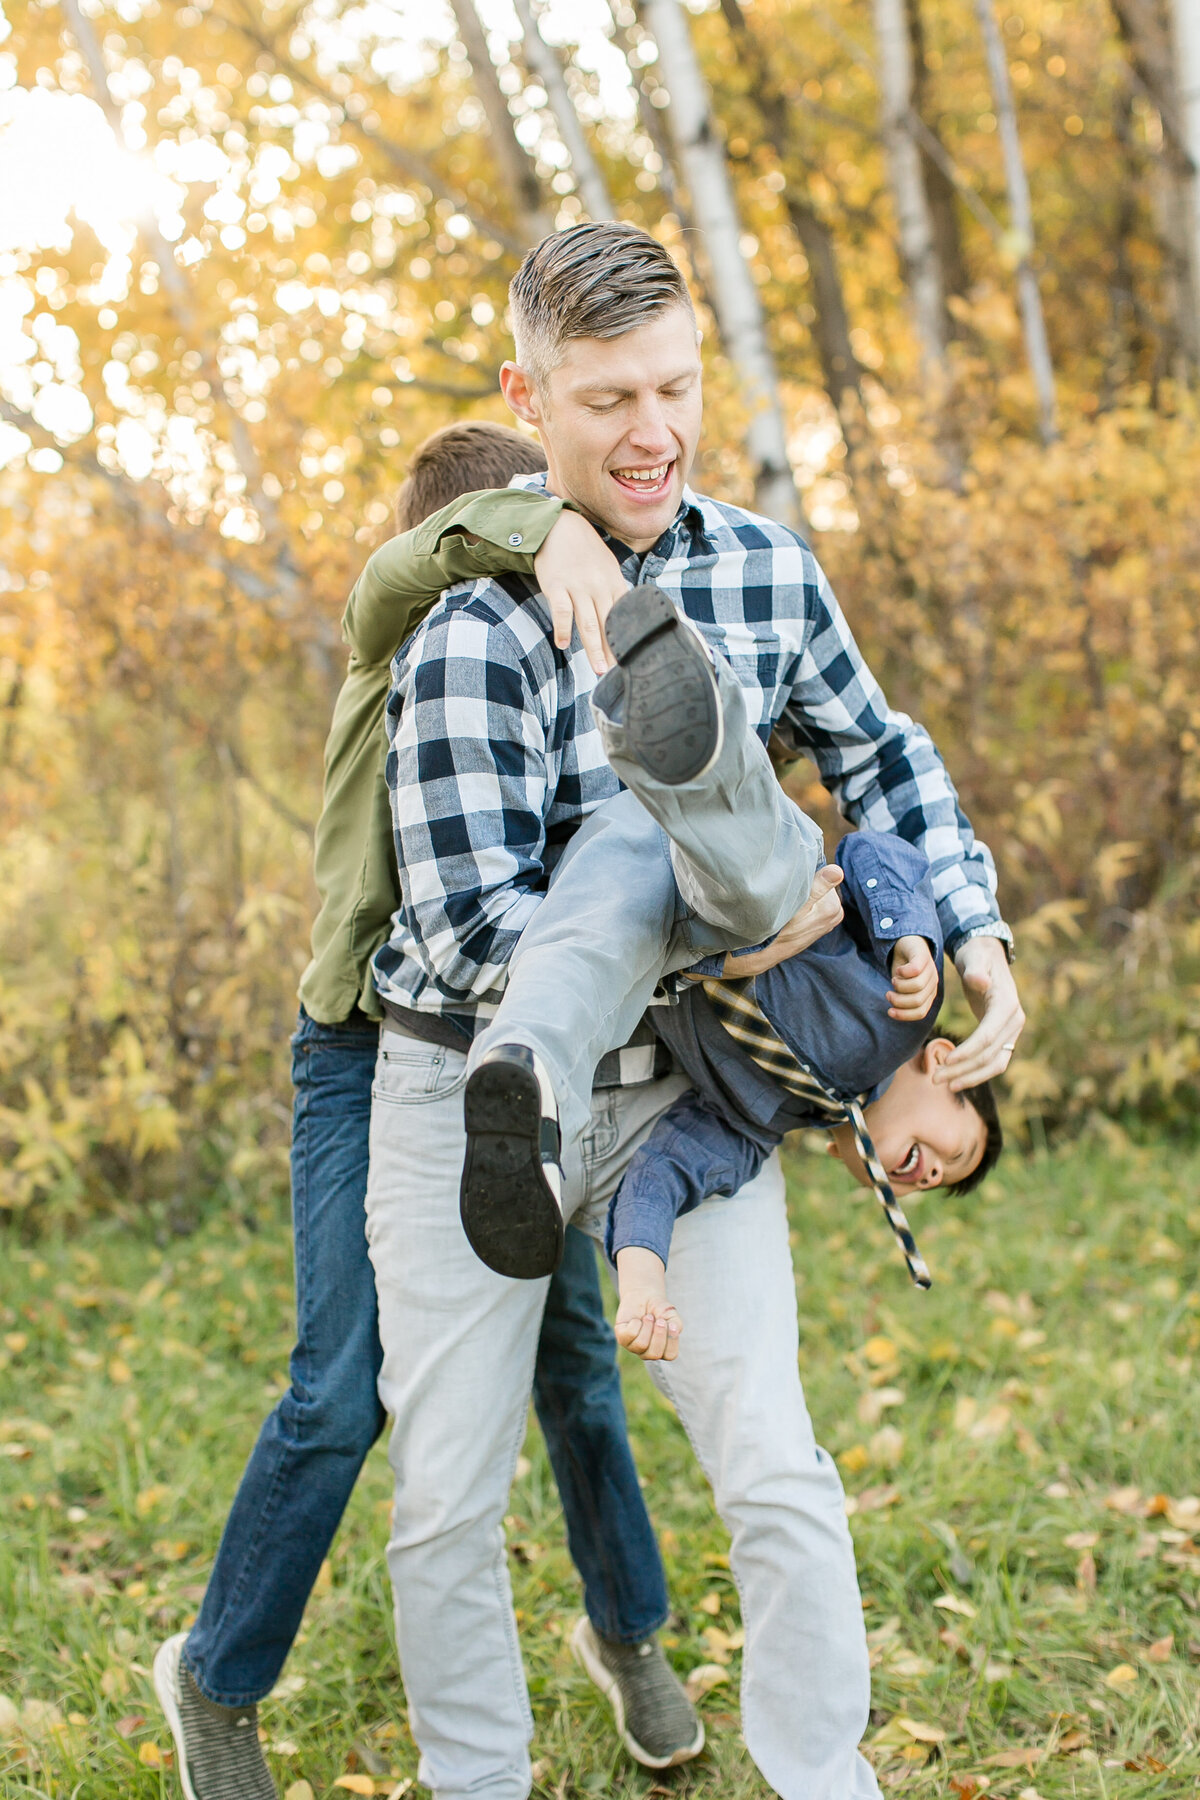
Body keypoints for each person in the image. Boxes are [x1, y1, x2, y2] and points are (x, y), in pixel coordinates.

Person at [361, 222, 1025, 1800]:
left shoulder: (762, 567)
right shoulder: (472, 629)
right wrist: (734, 953)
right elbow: (460, 929)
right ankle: (478, 1787)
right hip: (474, 1082)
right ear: (529, 398)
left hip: (689, 1103)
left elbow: (882, 758)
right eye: (605, 400)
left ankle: (825, 1778)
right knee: (448, 1497)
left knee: (782, 1477)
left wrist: (973, 932)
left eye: (675, 387)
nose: (651, 432)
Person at [153, 423, 704, 1800]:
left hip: (521, 1053)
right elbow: (438, 555)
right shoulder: (388, 636)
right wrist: (552, 526)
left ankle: (627, 1633)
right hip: (365, 1056)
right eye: (520, 543)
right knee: (341, 1395)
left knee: (573, 1366)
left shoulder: (557, 670)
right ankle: (216, 1680)